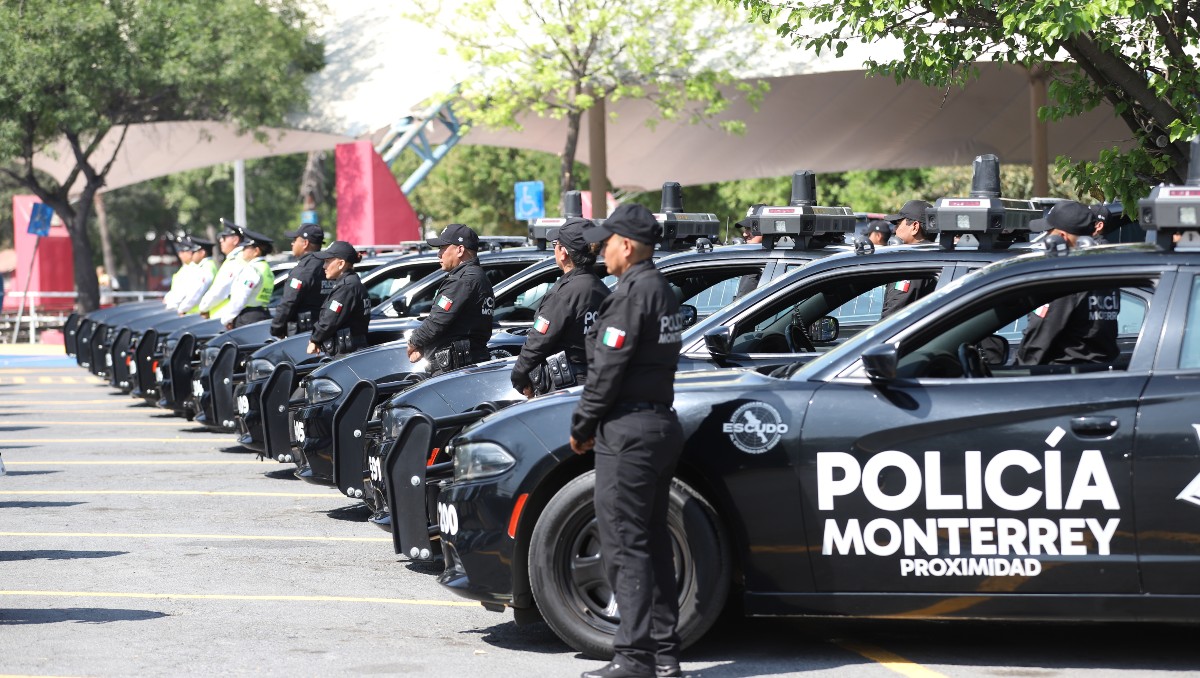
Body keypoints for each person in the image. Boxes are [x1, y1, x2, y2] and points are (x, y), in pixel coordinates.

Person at [569, 203, 686, 678]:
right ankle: (663, 655)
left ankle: (635, 657)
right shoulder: (661, 291)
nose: (602, 249)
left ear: (628, 246)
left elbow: (608, 370)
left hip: (629, 431)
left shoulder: (632, 294)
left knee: (624, 545)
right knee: (651, 543)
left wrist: (582, 425)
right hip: (658, 424)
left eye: (608, 241)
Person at [510, 217, 610, 397]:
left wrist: (519, 376)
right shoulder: (603, 290)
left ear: (563, 252)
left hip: (566, 389)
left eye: (555, 244)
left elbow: (537, 342)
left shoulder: (564, 294)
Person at [1017, 200, 1120, 365]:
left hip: (1062, 379)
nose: (1045, 237)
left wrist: (1014, 374)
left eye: (1048, 231)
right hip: (1099, 376)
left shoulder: (1064, 279)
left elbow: (1036, 345)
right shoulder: (1105, 273)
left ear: (1061, 237)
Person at [406, 224, 496, 377]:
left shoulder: (462, 281)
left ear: (460, 250)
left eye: (443, 248)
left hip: (454, 369)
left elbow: (437, 321)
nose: (439, 254)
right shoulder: (477, 277)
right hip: (465, 364)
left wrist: (414, 342)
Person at [307, 241, 370, 356]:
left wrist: (315, 339)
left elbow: (329, 320)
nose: (324, 266)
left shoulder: (346, 288)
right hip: (351, 352)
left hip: (346, 354)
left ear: (341, 264)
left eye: (327, 261)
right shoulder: (351, 283)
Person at [880, 200, 937, 317]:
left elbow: (892, 318)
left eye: (898, 224)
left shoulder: (912, 264)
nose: (895, 230)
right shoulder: (931, 257)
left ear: (915, 227)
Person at [271, 222, 328, 338]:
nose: (292, 244)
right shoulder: (329, 265)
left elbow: (289, 301)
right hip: (326, 331)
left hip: (303, 334)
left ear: (305, 243)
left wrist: (276, 328)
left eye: (295, 240)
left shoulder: (304, 269)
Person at [216, 229, 276, 329]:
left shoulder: (252, 269)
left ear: (256, 251)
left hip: (247, 318)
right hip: (262, 313)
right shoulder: (266, 268)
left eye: (246, 247)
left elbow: (240, 298)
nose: (242, 250)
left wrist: (227, 319)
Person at [198, 219, 246, 319]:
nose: (220, 240)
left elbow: (221, 290)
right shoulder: (233, 259)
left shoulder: (236, 260)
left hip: (225, 317)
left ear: (235, 240)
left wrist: (204, 307)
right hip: (224, 316)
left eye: (224, 237)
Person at [171, 236, 217, 315]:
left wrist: (182, 309)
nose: (192, 255)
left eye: (194, 252)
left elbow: (197, 292)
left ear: (202, 253)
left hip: (196, 314)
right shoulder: (204, 266)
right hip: (193, 312)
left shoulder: (207, 267)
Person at [160, 245, 192, 311]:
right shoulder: (185, 268)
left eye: (183, 252)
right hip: (179, 309)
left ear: (190, 253)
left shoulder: (193, 269)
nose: (180, 255)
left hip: (183, 310)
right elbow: (176, 289)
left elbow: (185, 292)